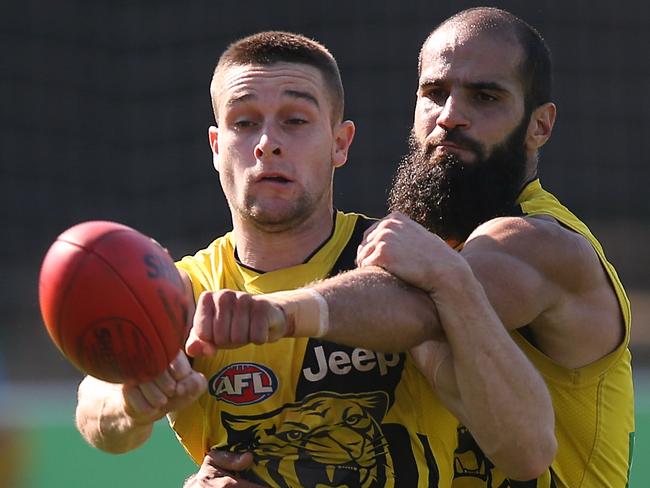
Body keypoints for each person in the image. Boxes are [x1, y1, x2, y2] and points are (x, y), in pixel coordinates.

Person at [74, 31, 555, 487]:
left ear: (340, 143)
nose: (268, 142)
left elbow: (528, 449)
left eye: (295, 120)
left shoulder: (399, 262)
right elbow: (95, 411)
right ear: (217, 148)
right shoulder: (190, 290)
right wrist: (132, 400)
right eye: (244, 122)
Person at [198, 7, 635, 488]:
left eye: (485, 97)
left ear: (540, 126)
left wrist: (269, 313)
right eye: (434, 94)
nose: (450, 116)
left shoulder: (537, 241)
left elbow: (417, 310)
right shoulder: (422, 244)